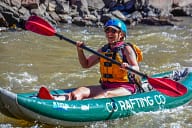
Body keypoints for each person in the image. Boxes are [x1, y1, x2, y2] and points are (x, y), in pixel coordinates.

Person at [38, 18, 142, 100]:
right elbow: (86, 64)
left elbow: (136, 68)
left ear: (121, 35)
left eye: (113, 31)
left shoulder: (127, 48)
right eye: (107, 31)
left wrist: (128, 67)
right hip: (106, 85)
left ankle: (83, 106)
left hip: (125, 88)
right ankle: (55, 99)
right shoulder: (103, 50)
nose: (109, 33)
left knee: (106, 94)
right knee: (80, 91)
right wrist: (80, 50)